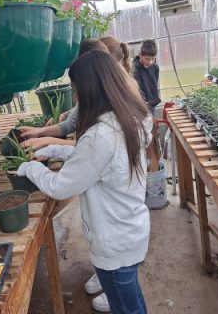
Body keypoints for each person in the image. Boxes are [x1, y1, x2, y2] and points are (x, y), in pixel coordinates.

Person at [17, 50, 153, 314]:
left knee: (125, 306)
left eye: (76, 89)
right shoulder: (127, 118)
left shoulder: (99, 136)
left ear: (89, 89)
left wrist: (30, 167)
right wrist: (52, 150)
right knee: (131, 299)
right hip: (131, 232)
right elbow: (98, 162)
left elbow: (61, 186)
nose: (76, 95)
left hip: (113, 243)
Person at [133, 39, 161, 117]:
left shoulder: (155, 68)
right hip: (139, 106)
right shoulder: (134, 69)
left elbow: (154, 83)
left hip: (152, 104)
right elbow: (135, 88)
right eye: (147, 59)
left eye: (153, 59)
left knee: (152, 125)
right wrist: (143, 102)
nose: (150, 62)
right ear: (140, 55)